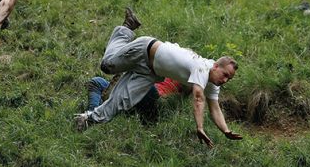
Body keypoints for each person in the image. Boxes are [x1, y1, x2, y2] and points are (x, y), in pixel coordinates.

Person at [75, 8, 243, 148]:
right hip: (145, 50)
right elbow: (199, 98)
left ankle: (85, 119)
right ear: (215, 66)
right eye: (225, 74)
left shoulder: (213, 83)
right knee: (107, 66)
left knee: (120, 102)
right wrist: (199, 127)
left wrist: (226, 131)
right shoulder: (203, 67)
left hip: (151, 73)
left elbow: (214, 108)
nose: (225, 80)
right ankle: (126, 29)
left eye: (229, 79)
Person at [86, 75, 186, 124]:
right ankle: (91, 115)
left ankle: (118, 97)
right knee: (97, 82)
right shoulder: (163, 64)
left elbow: (186, 94)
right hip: (135, 87)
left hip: (152, 94)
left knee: (146, 85)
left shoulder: (185, 77)